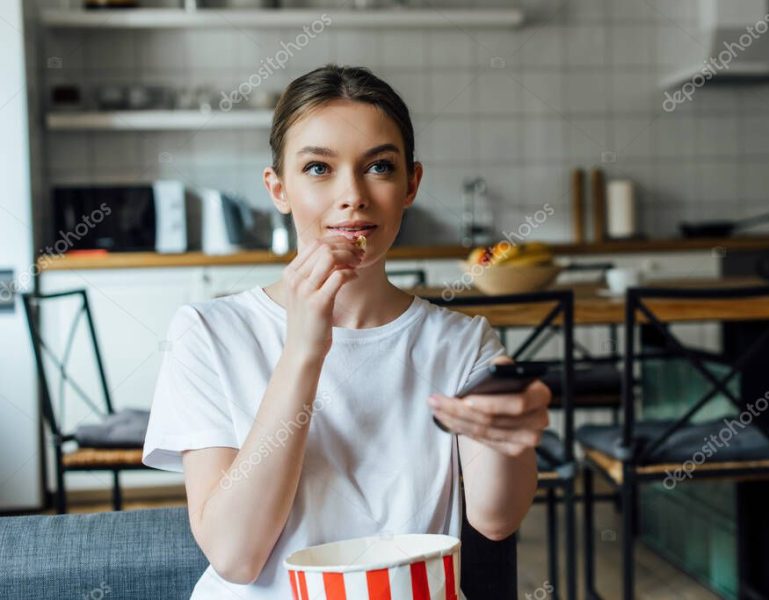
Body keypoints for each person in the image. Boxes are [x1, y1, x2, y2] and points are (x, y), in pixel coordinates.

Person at [142, 64, 551, 599]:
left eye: (379, 166)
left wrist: (513, 441)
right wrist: (305, 348)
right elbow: (236, 557)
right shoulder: (208, 333)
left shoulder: (461, 343)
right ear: (278, 188)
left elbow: (495, 520)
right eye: (318, 168)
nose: (352, 195)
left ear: (411, 184)